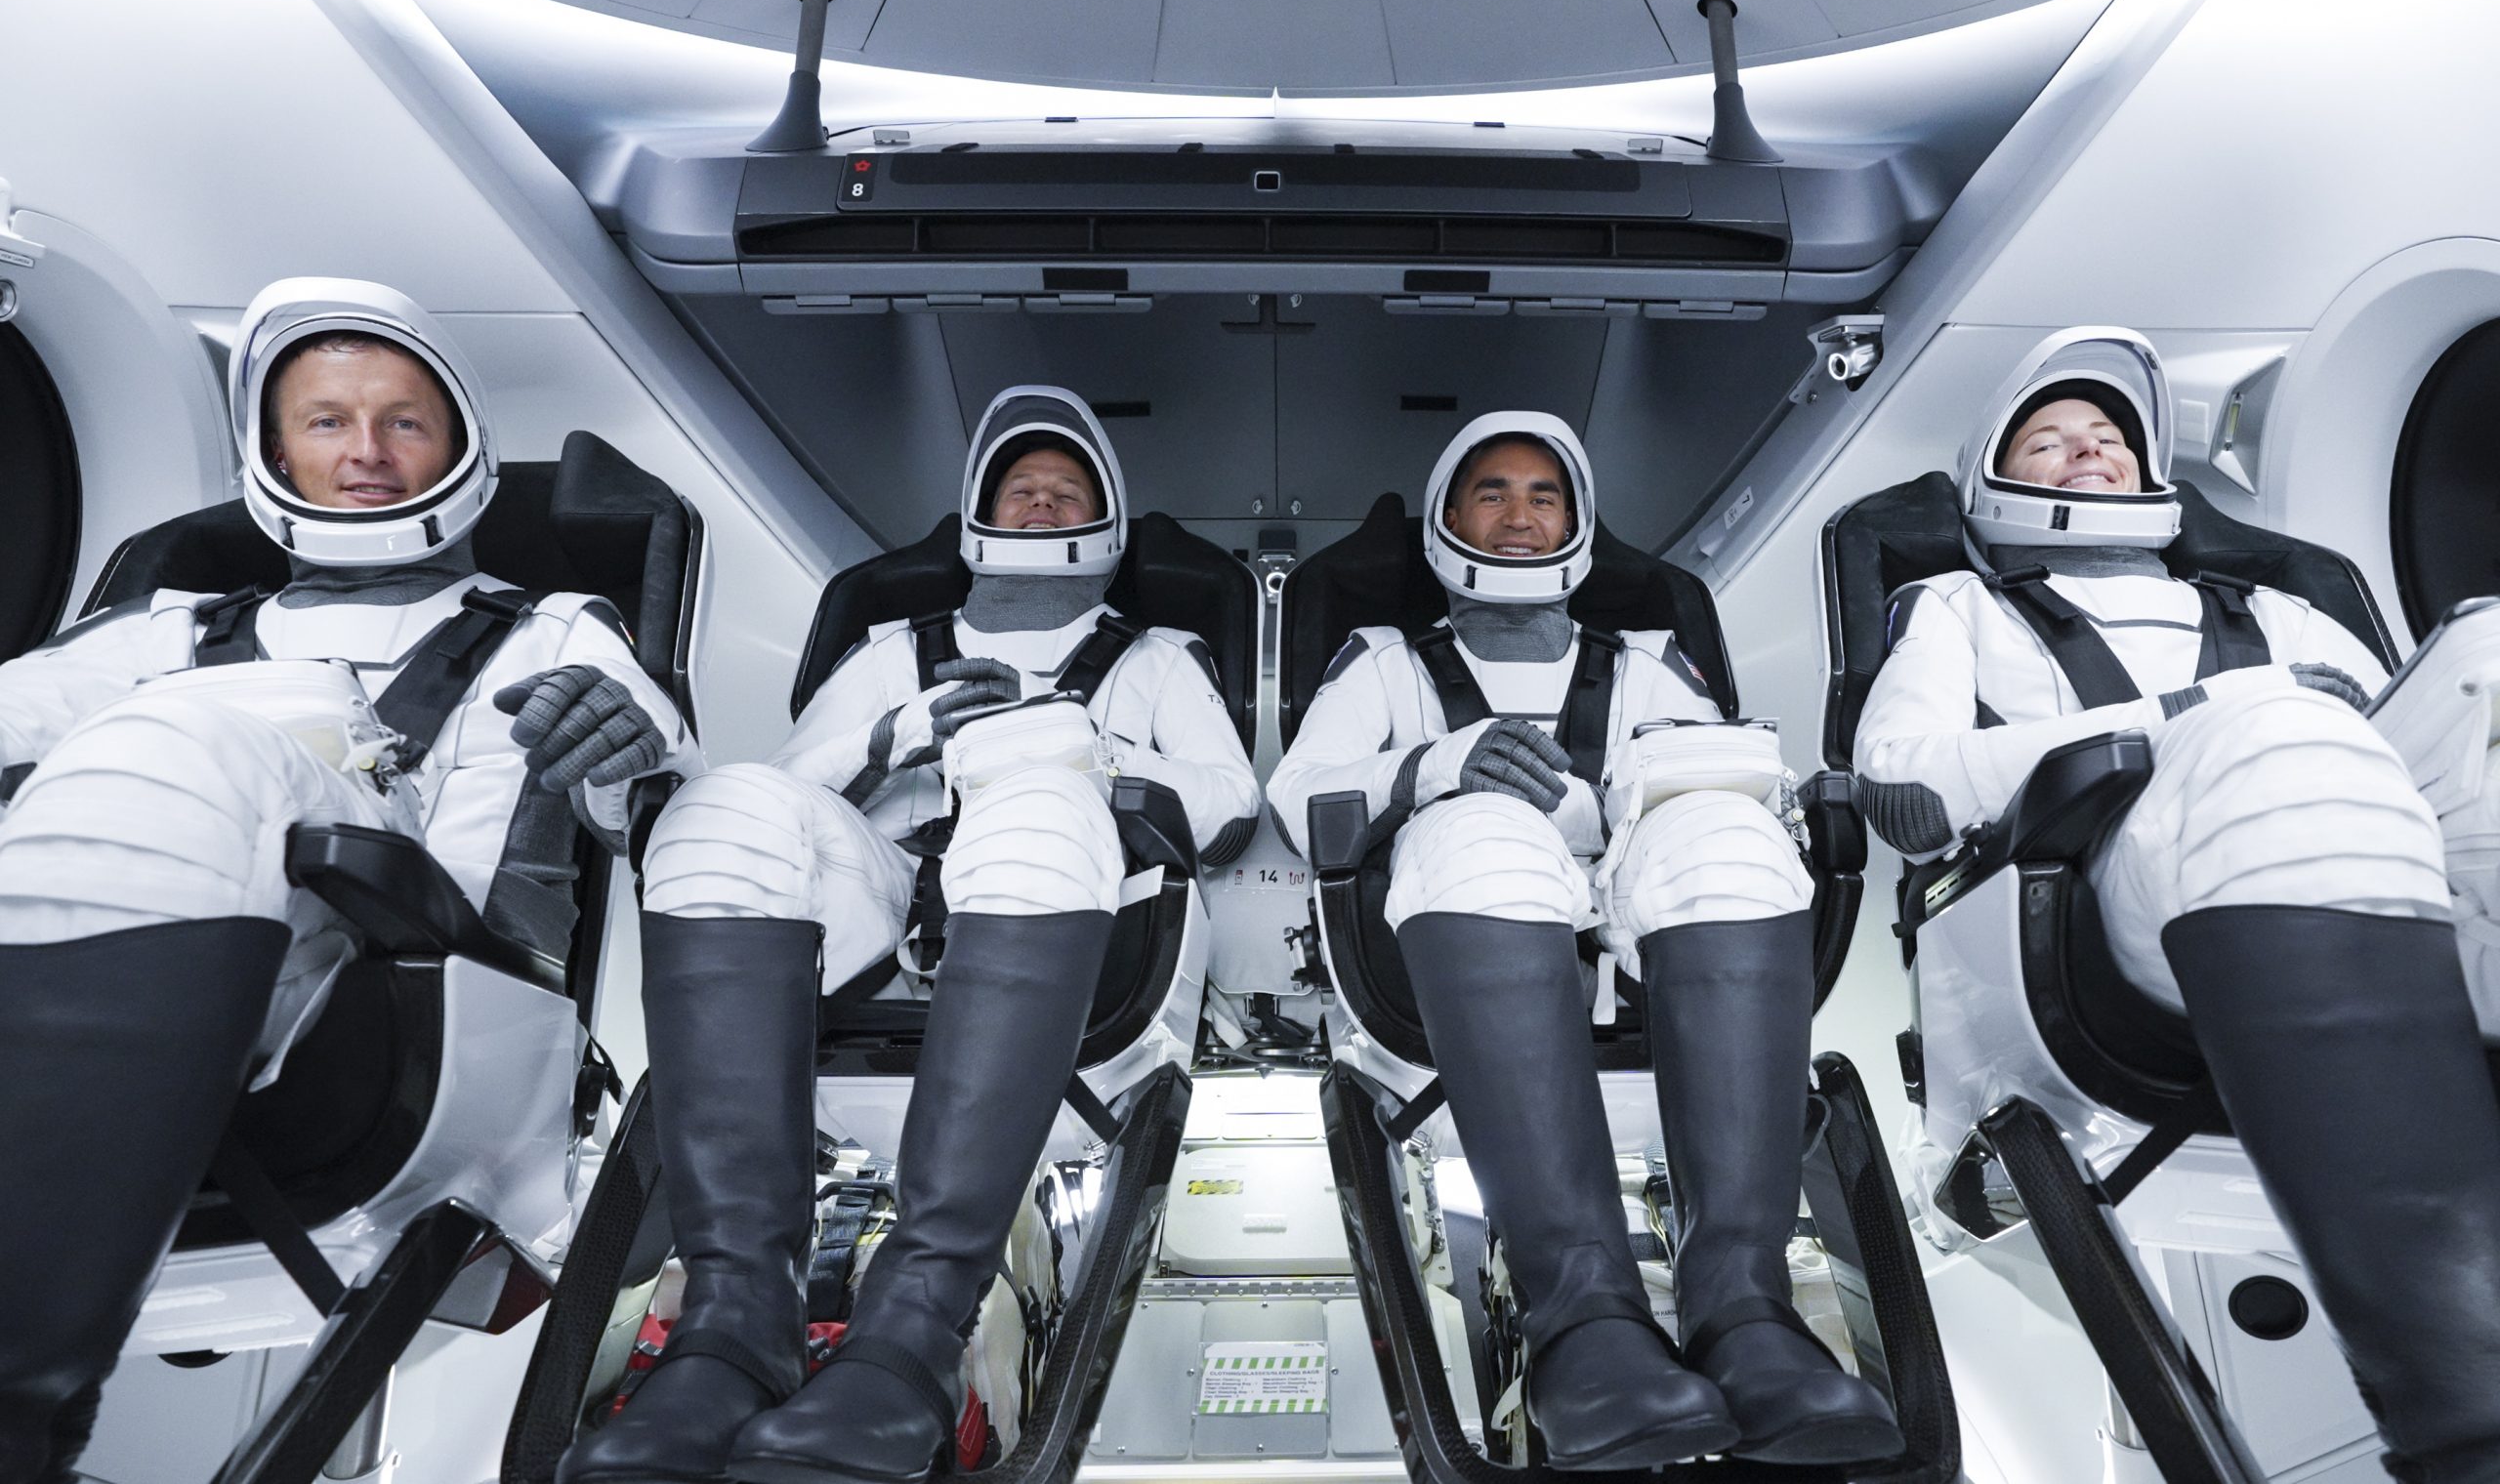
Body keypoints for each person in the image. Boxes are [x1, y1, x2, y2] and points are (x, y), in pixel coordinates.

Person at [0, 277, 690, 1483]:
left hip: (417, 1029)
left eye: (402, 420)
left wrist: (628, 741)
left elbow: (652, 774)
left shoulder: (554, 630)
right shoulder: (155, 634)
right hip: (157, 993)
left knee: (223, 732)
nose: (365, 452)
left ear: (460, 446)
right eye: (325, 421)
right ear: (273, 451)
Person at [559, 387, 1258, 1484]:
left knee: (1040, 799)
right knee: (722, 805)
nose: (1038, 503)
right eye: (1018, 489)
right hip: (881, 893)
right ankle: (735, 1321)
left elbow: (1225, 803)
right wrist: (898, 733)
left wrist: (1076, 749)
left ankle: (913, 1337)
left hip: (1074, 903)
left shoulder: (1157, 656)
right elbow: (791, 791)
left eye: (1062, 489)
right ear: (978, 513)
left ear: (1105, 522)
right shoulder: (893, 646)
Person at [1854, 327, 2500, 1481]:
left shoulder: (2282, 609)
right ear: (1993, 478)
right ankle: (2470, 1425)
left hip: (2372, 870)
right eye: (2047, 440)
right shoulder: (1957, 606)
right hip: (2086, 916)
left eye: (2104, 436)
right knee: (2279, 739)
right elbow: (1902, 782)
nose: (2084, 452)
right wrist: (2190, 716)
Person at [1268, 413, 1900, 1468]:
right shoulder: (1386, 663)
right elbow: (1303, 794)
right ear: (1446, 521)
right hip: (1461, 914)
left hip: (1641, 924)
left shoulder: (1649, 661)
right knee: (1482, 826)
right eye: (1492, 493)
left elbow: (1731, 781)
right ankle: (1581, 1322)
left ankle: (1743, 1313)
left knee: (1723, 828)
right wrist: (1435, 765)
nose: (1519, 515)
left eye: (1544, 495)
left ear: (1579, 523)